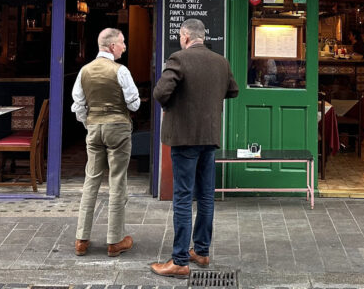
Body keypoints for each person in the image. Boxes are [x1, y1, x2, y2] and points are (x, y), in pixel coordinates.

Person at [150, 18, 239, 279]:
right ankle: (201, 251)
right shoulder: (221, 62)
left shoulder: (179, 59)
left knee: (183, 197)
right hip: (209, 137)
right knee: (206, 196)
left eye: (180, 37)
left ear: (185, 36)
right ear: (203, 36)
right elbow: (233, 91)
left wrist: (175, 103)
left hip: (184, 138)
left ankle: (179, 260)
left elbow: (160, 93)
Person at [70, 28, 140, 258]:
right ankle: (114, 241)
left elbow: (78, 106)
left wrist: (89, 123)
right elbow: (134, 104)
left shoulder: (84, 71)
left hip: (93, 128)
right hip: (118, 128)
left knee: (91, 180)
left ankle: (81, 239)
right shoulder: (121, 71)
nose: (124, 47)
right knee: (117, 181)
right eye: (122, 42)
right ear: (112, 46)